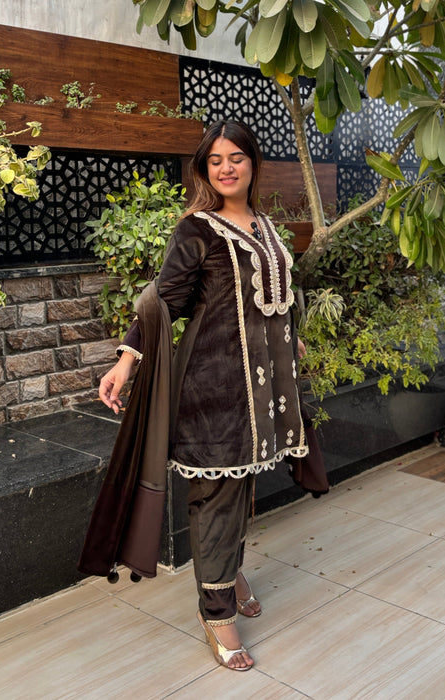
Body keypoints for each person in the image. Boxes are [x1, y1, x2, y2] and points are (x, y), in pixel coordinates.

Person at [97, 120, 308, 671]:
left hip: (259, 388)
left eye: (236, 157)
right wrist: (126, 361)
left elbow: (278, 296)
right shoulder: (197, 229)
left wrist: (290, 336)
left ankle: (229, 573)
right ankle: (216, 614)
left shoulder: (264, 225)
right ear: (203, 169)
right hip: (212, 387)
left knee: (243, 482)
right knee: (216, 494)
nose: (226, 168)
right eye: (215, 161)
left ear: (253, 163)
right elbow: (164, 301)